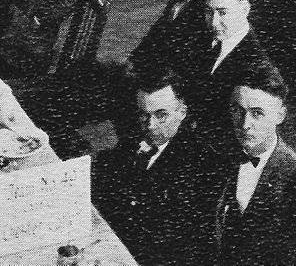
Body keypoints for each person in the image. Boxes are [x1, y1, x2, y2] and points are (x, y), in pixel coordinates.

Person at [93, 66, 218, 266]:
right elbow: (108, 171)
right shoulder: (136, 137)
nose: (150, 125)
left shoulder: (202, 163)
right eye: (144, 115)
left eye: (161, 115)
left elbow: (177, 244)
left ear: (182, 112)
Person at [211, 62, 296, 266]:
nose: (244, 124)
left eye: (257, 113)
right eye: (238, 110)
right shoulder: (220, 161)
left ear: (280, 116)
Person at [178, 0, 273, 140]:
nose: (213, 22)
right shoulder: (204, 39)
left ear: (245, 10)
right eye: (209, 11)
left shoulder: (256, 64)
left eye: (222, 12)